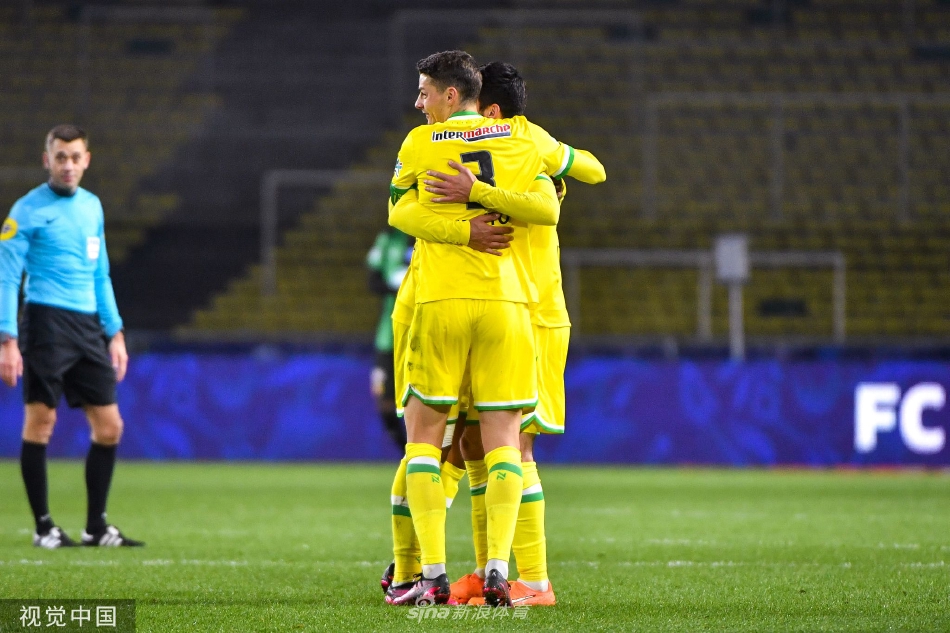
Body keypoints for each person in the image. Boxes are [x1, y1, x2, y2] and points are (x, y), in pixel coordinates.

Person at [383, 61, 605, 607]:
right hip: (500, 306)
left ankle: (524, 578)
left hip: (522, 308)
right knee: (468, 443)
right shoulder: (521, 145)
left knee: (492, 444)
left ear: (491, 109)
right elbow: (582, 175)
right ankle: (478, 571)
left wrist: (478, 192)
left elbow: (571, 188)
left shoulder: (510, 142)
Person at [0, 124, 143, 549]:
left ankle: (95, 528)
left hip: (87, 328)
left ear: (86, 161)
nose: (68, 165)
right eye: (60, 157)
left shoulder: (92, 207)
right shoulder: (26, 210)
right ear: (47, 160)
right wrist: (7, 339)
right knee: (41, 422)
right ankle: (44, 527)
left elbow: (100, 274)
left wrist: (114, 331)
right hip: (45, 322)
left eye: (75, 157)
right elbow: (7, 276)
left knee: (110, 427)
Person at [365, 226, 413, 450]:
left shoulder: (436, 233)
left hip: (425, 335)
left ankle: (434, 456)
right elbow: (373, 281)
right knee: (384, 400)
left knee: (432, 401)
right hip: (389, 338)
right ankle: (407, 452)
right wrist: (401, 289)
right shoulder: (388, 239)